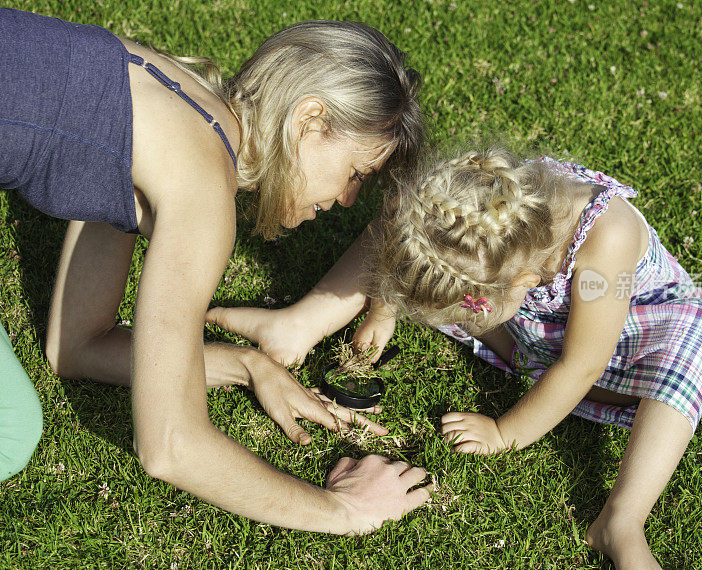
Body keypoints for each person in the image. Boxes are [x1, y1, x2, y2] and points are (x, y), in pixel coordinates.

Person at [0, 7, 432, 534]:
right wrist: (345, 511)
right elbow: (169, 447)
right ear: (310, 121)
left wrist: (246, 366)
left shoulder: (179, 96)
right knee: (9, 431)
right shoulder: (203, 189)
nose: (348, 199)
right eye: (356, 173)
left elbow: (76, 346)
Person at [209, 147, 702, 566]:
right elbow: (408, 229)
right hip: (541, 329)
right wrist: (384, 310)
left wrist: (505, 433)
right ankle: (300, 321)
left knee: (700, 338)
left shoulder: (606, 237)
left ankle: (621, 518)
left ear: (525, 282)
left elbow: (583, 364)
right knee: (406, 232)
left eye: (474, 307)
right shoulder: (472, 209)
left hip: (633, 332)